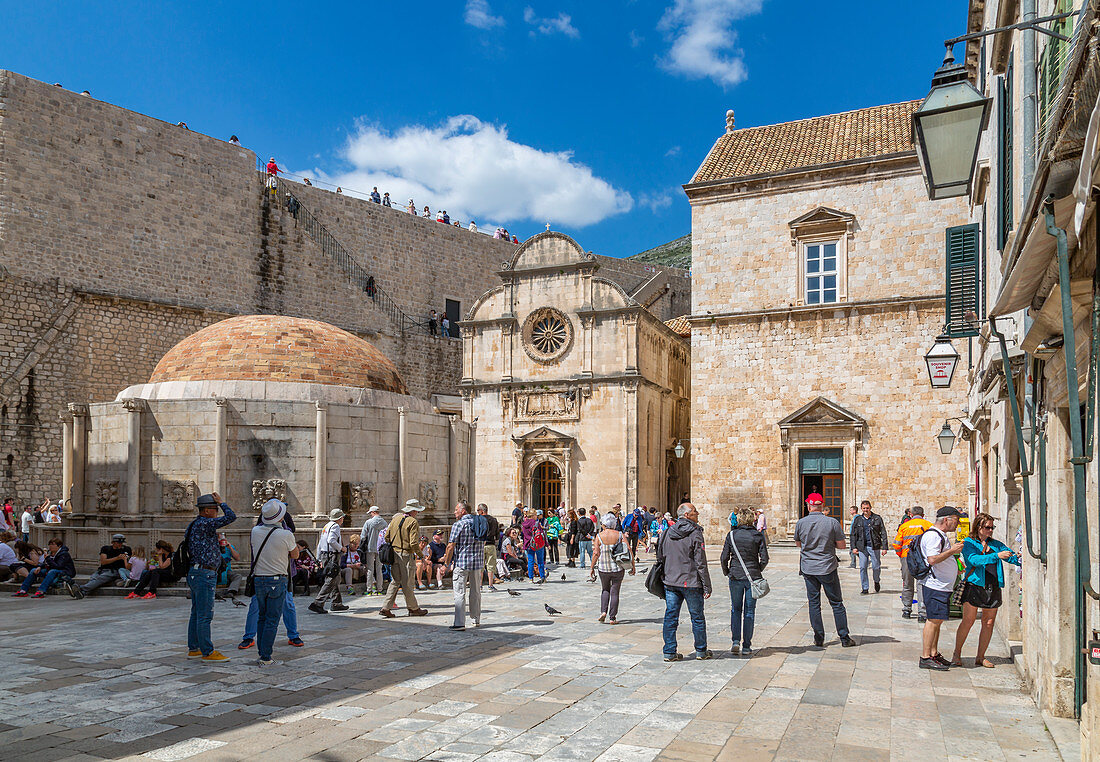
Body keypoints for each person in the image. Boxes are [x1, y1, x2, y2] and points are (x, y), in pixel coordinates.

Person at [951, 512, 1021, 668]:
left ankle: (980, 657)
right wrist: (997, 556)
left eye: (992, 527)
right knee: (968, 621)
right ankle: (956, 654)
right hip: (974, 585)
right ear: (978, 527)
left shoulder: (996, 544)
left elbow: (1009, 556)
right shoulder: (969, 543)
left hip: (993, 585)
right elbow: (974, 560)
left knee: (988, 623)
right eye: (987, 527)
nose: (990, 530)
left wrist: (1019, 558)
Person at [240, 502, 305, 651]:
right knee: (271, 616)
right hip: (279, 577)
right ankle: (262, 650)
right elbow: (295, 554)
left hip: (262, 577)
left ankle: (292, 635)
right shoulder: (285, 533)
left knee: (270, 609)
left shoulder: (255, 531)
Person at [794, 493, 855, 649]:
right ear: (821, 506)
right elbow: (841, 546)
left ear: (808, 506)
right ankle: (844, 637)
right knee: (836, 603)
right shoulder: (832, 522)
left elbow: (798, 544)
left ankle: (819, 637)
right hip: (827, 567)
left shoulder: (800, 523)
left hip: (809, 568)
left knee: (814, 604)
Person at [185, 492, 236, 662]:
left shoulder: (194, 525)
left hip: (195, 572)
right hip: (204, 574)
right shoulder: (206, 523)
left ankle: (194, 648)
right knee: (205, 615)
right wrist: (222, 502)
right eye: (215, 509)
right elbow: (231, 517)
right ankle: (207, 651)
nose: (217, 512)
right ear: (207, 510)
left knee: (196, 612)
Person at [660, 503, 712, 661]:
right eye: (695, 511)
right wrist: (707, 585)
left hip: (671, 581)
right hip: (690, 582)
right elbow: (700, 561)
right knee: (697, 617)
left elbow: (660, 555)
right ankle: (701, 651)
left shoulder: (668, 531)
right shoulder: (695, 533)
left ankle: (669, 652)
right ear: (688, 515)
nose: (698, 514)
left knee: (670, 616)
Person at [918, 506, 966, 670]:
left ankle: (933, 653)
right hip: (935, 585)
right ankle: (925, 657)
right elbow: (932, 559)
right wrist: (952, 550)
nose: (958, 523)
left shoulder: (939, 535)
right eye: (956, 519)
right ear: (947, 519)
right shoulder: (933, 536)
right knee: (932, 620)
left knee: (937, 620)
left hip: (942, 585)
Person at [720, 507, 769, 657]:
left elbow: (724, 557)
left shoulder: (732, 535)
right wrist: (757, 569)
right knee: (749, 611)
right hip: (752, 577)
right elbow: (765, 558)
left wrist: (726, 571)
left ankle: (735, 641)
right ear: (751, 519)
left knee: (736, 609)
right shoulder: (757, 535)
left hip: (735, 576)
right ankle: (746, 645)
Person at [380, 500, 429, 618]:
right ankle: (413, 608)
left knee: (395, 581)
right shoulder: (413, 522)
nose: (417, 512)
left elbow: (387, 537)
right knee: (408, 582)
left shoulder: (395, 519)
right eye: (417, 510)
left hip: (394, 554)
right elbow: (413, 543)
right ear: (413, 511)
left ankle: (386, 607)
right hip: (406, 555)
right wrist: (421, 556)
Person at [443, 501, 482, 630]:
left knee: (459, 593)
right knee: (476, 592)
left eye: (456, 510)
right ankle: (476, 619)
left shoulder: (459, 524)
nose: (454, 512)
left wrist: (446, 563)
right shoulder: (479, 523)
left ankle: (459, 623)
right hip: (477, 562)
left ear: (463, 511)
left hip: (462, 562)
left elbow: (450, 545)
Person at [590, 513, 635, 624]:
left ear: (604, 524)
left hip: (603, 568)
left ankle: (603, 612)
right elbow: (629, 549)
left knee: (605, 589)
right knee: (615, 592)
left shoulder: (599, 536)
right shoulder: (619, 535)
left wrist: (592, 567)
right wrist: (632, 565)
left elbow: (596, 553)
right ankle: (612, 617)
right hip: (617, 568)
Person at [892, 506, 932, 621]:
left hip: (907, 557)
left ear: (911, 515)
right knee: (921, 584)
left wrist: (901, 555)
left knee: (907, 584)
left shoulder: (904, 526)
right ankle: (922, 613)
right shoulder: (928, 526)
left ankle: (906, 609)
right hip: (922, 558)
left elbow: (896, 543)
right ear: (923, 515)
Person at [310, 509, 349, 614]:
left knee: (335, 578)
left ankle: (337, 603)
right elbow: (331, 540)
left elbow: (321, 543)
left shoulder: (326, 526)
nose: (343, 519)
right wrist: (342, 548)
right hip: (332, 556)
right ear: (339, 518)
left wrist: (319, 558)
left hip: (325, 554)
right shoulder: (335, 526)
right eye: (342, 517)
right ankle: (318, 603)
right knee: (331, 579)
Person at [850, 500, 888, 594]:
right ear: (861, 509)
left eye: (867, 508)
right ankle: (865, 587)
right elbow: (853, 534)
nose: (865, 510)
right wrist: (853, 547)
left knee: (876, 567)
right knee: (863, 567)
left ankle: (876, 581)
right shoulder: (858, 519)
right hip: (862, 547)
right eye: (864, 508)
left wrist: (884, 547)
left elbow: (883, 532)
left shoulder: (877, 518)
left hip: (874, 546)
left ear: (870, 508)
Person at [359, 505, 387, 595]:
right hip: (380, 548)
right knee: (379, 569)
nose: (370, 515)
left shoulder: (368, 522)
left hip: (370, 547)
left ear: (373, 512)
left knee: (370, 569)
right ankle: (380, 588)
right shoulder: (384, 522)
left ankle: (369, 589)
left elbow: (363, 536)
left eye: (370, 513)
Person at [476, 503, 501, 591]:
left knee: (480, 566)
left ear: (482, 511)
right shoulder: (493, 520)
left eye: (478, 510)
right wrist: (496, 540)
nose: (477, 512)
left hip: (480, 545)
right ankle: (490, 585)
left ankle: (480, 586)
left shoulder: (478, 520)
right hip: (491, 544)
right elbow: (497, 533)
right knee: (491, 566)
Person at [521, 508, 547, 582]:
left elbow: (525, 535)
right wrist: (546, 544)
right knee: (540, 561)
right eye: (536, 515)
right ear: (533, 515)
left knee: (530, 561)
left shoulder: (524, 524)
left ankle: (531, 578)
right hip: (538, 543)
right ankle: (542, 576)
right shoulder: (535, 523)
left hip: (529, 544)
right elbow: (542, 534)